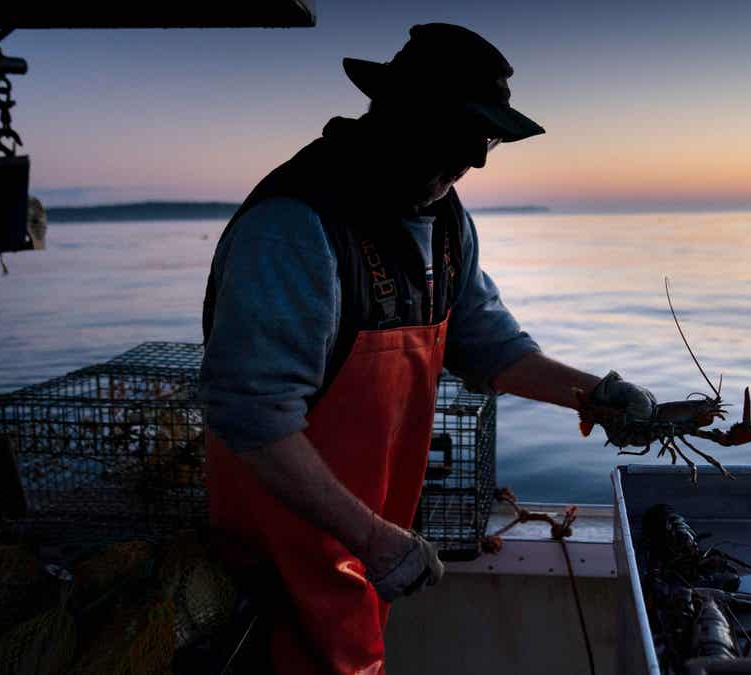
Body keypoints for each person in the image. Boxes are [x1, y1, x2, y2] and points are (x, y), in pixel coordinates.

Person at [200, 23, 655, 675]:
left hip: (362, 550)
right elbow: (252, 420)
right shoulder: (296, 229)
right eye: (463, 139)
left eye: (487, 140)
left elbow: (493, 349)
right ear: (400, 115)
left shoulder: (444, 220)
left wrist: (599, 394)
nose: (477, 162)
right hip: (275, 563)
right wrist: (374, 538)